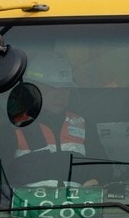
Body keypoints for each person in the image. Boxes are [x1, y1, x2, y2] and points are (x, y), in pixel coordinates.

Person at [8, 49, 109, 186]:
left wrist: (96, 179)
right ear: (33, 88)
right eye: (51, 88)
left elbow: (105, 167)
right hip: (28, 206)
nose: (60, 95)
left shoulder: (84, 125)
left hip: (79, 205)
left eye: (65, 88)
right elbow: (0, 177)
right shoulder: (13, 127)